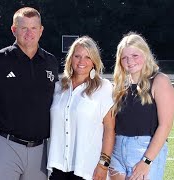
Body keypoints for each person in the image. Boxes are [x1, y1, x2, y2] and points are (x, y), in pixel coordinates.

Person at [0, 7, 59, 180]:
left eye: (33, 28)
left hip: (40, 150)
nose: (29, 33)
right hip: (4, 145)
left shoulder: (50, 61)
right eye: (24, 28)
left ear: (41, 30)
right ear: (14, 30)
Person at [109, 32, 174, 180]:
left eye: (135, 55)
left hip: (144, 150)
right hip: (117, 151)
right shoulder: (119, 86)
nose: (129, 61)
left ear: (145, 54)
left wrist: (146, 161)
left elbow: (165, 125)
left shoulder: (160, 81)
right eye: (124, 57)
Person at [47, 36, 115, 180]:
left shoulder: (104, 88)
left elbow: (110, 129)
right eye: (77, 56)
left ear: (94, 62)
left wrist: (103, 165)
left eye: (87, 57)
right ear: (71, 59)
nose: (81, 61)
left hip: (87, 169)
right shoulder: (58, 87)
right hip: (58, 167)